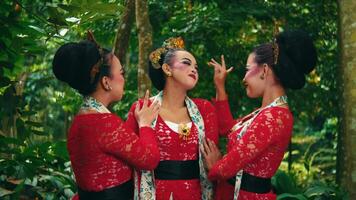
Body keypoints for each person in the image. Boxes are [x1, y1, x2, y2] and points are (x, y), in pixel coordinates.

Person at [202, 30, 317, 200]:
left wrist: (215, 164)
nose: (244, 78)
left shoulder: (275, 117)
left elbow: (225, 169)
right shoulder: (266, 112)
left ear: (264, 70)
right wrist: (220, 86)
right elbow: (227, 128)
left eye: (248, 69)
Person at [52, 31, 160, 200]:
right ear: (106, 82)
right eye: (121, 73)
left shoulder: (80, 121)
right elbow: (149, 159)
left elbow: (118, 147)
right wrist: (145, 124)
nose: (124, 78)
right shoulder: (104, 123)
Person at [125, 37, 219, 200]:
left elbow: (212, 159)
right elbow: (127, 159)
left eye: (196, 67)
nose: (194, 69)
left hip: (195, 195)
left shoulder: (204, 109)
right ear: (167, 69)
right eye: (186, 63)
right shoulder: (142, 108)